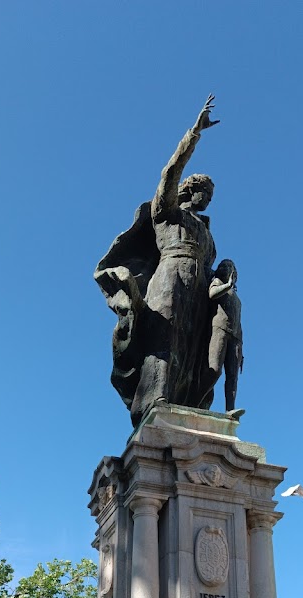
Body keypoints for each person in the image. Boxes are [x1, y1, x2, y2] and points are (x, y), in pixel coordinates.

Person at [95, 96, 221, 425]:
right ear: (188, 190)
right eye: (202, 191)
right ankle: (155, 400)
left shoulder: (207, 235)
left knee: (193, 349)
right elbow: (169, 172)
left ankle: (192, 407)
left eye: (210, 194)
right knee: (165, 339)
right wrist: (194, 134)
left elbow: (212, 266)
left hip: (199, 287)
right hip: (169, 276)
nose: (206, 198)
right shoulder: (166, 213)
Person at [204, 259, 243, 412]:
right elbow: (212, 294)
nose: (226, 268)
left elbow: (239, 322)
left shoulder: (237, 298)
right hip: (220, 329)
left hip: (235, 337)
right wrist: (227, 285)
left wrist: (242, 348)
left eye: (230, 266)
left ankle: (230, 410)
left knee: (233, 376)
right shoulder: (217, 282)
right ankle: (198, 400)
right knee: (214, 370)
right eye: (224, 266)